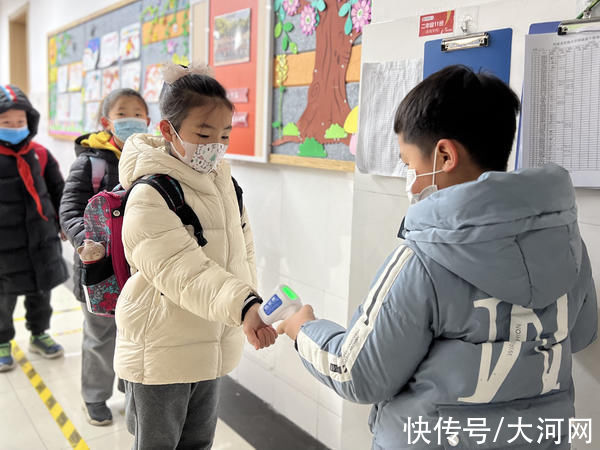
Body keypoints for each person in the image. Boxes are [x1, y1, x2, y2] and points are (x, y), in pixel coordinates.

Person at [278, 65, 598, 450]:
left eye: (411, 165)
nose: (412, 183)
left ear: (445, 155)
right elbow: (581, 334)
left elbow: (359, 374)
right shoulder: (566, 241)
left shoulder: (422, 259)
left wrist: (303, 329)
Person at [114, 63, 277, 449]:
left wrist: (250, 304)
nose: (215, 146)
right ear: (168, 130)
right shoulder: (150, 194)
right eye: (203, 134)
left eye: (223, 134)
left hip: (211, 341)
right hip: (160, 350)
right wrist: (242, 305)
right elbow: (181, 270)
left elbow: (244, 250)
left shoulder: (225, 184)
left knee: (198, 444)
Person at [59, 88, 150, 426]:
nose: (132, 119)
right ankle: (95, 397)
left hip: (140, 267)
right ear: (106, 121)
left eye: (139, 113)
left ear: (149, 120)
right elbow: (68, 208)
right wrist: (86, 242)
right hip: (97, 267)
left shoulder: (152, 160)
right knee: (99, 335)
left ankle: (132, 391)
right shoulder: (90, 162)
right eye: (123, 113)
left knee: (136, 333)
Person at [0, 84, 68, 372]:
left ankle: (39, 333)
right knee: (4, 296)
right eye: (6, 123)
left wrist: (65, 222)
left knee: (42, 291)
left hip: (42, 239)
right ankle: (2, 341)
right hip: (4, 244)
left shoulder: (39, 153)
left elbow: (59, 191)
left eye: (20, 122)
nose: (15, 127)